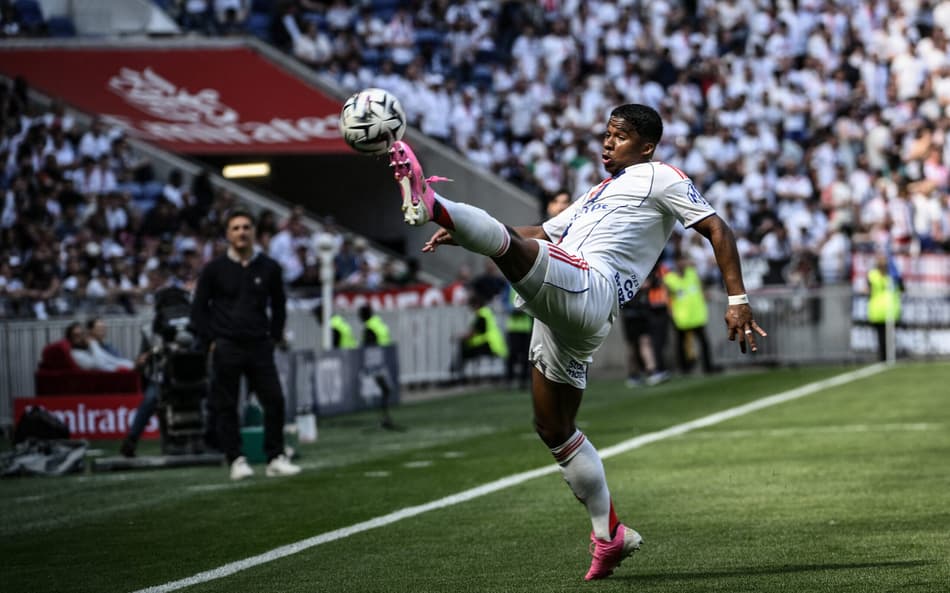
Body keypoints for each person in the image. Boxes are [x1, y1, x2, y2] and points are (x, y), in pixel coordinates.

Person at [387, 103, 766, 580]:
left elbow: (717, 227)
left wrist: (738, 299)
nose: (608, 142)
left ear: (645, 147)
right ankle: (609, 535)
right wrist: (463, 236)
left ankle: (431, 201)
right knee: (554, 428)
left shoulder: (662, 177)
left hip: (592, 287)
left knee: (509, 248)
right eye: (607, 134)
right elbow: (540, 233)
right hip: (565, 304)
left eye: (621, 136)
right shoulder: (599, 192)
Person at [190, 209, 301, 480]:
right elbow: (198, 308)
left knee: (274, 399)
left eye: (246, 227)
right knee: (226, 405)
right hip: (226, 345)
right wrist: (210, 341)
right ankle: (235, 459)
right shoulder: (214, 269)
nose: (241, 232)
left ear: (254, 232)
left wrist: (274, 337)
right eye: (236, 228)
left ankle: (275, 456)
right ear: (228, 234)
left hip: (259, 344)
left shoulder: (269, 267)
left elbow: (279, 305)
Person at [663, 255, 717, 375]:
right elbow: (666, 296)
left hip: (696, 314)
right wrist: (670, 310)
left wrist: (705, 295)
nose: (682, 264)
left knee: (703, 342)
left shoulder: (692, 273)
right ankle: (684, 368)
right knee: (681, 343)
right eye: (680, 261)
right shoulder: (669, 279)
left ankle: (708, 366)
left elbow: (700, 288)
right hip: (681, 316)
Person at [451, 292, 508, 382]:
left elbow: (472, 333)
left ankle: (457, 375)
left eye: (471, 306)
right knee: (464, 349)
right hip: (494, 344)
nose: (470, 309)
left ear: (476, 305)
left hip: (489, 345)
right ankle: (457, 373)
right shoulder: (486, 312)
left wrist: (457, 336)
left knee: (463, 349)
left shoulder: (481, 315)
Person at [358, 304, 398, 429]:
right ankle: (385, 417)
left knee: (376, 391)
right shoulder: (379, 323)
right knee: (384, 390)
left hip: (375, 363)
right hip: (384, 361)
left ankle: (384, 418)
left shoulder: (370, 327)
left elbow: (369, 345)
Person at [867, 253, 902, 362]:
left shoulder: (872, 275)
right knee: (889, 338)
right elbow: (902, 288)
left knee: (882, 338)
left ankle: (883, 358)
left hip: (877, 310)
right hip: (891, 310)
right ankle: (889, 358)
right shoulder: (894, 276)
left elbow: (868, 290)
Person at [504, 283, 533, 389]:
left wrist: (524, 309)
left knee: (526, 355)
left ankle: (523, 381)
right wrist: (513, 310)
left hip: (525, 327)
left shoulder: (528, 285)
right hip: (513, 327)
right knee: (512, 355)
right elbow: (504, 303)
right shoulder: (509, 286)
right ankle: (509, 380)